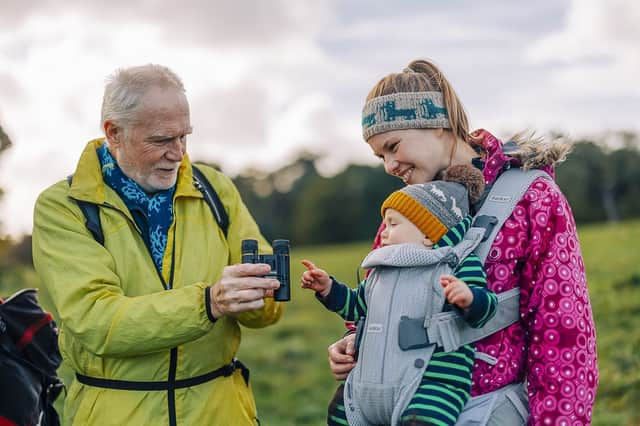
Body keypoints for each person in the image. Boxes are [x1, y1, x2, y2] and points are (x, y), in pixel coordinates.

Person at [327, 59, 598, 425]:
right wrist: (354, 342)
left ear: (437, 123)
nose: (389, 166)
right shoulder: (402, 211)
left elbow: (564, 331)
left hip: (489, 410)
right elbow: (381, 299)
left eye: (393, 146)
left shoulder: (531, 197)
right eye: (380, 156)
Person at [31, 64, 283, 425]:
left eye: (184, 136)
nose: (178, 153)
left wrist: (260, 296)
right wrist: (209, 302)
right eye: (162, 140)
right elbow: (97, 321)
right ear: (113, 133)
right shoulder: (63, 207)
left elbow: (268, 310)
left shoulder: (214, 188)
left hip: (222, 412)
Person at [302, 164, 498, 425]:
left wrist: (469, 298)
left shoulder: (457, 263)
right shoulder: (381, 270)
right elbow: (356, 307)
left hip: (434, 382)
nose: (383, 232)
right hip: (374, 379)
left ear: (429, 234)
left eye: (393, 224)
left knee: (425, 418)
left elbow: (488, 308)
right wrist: (328, 289)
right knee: (339, 412)